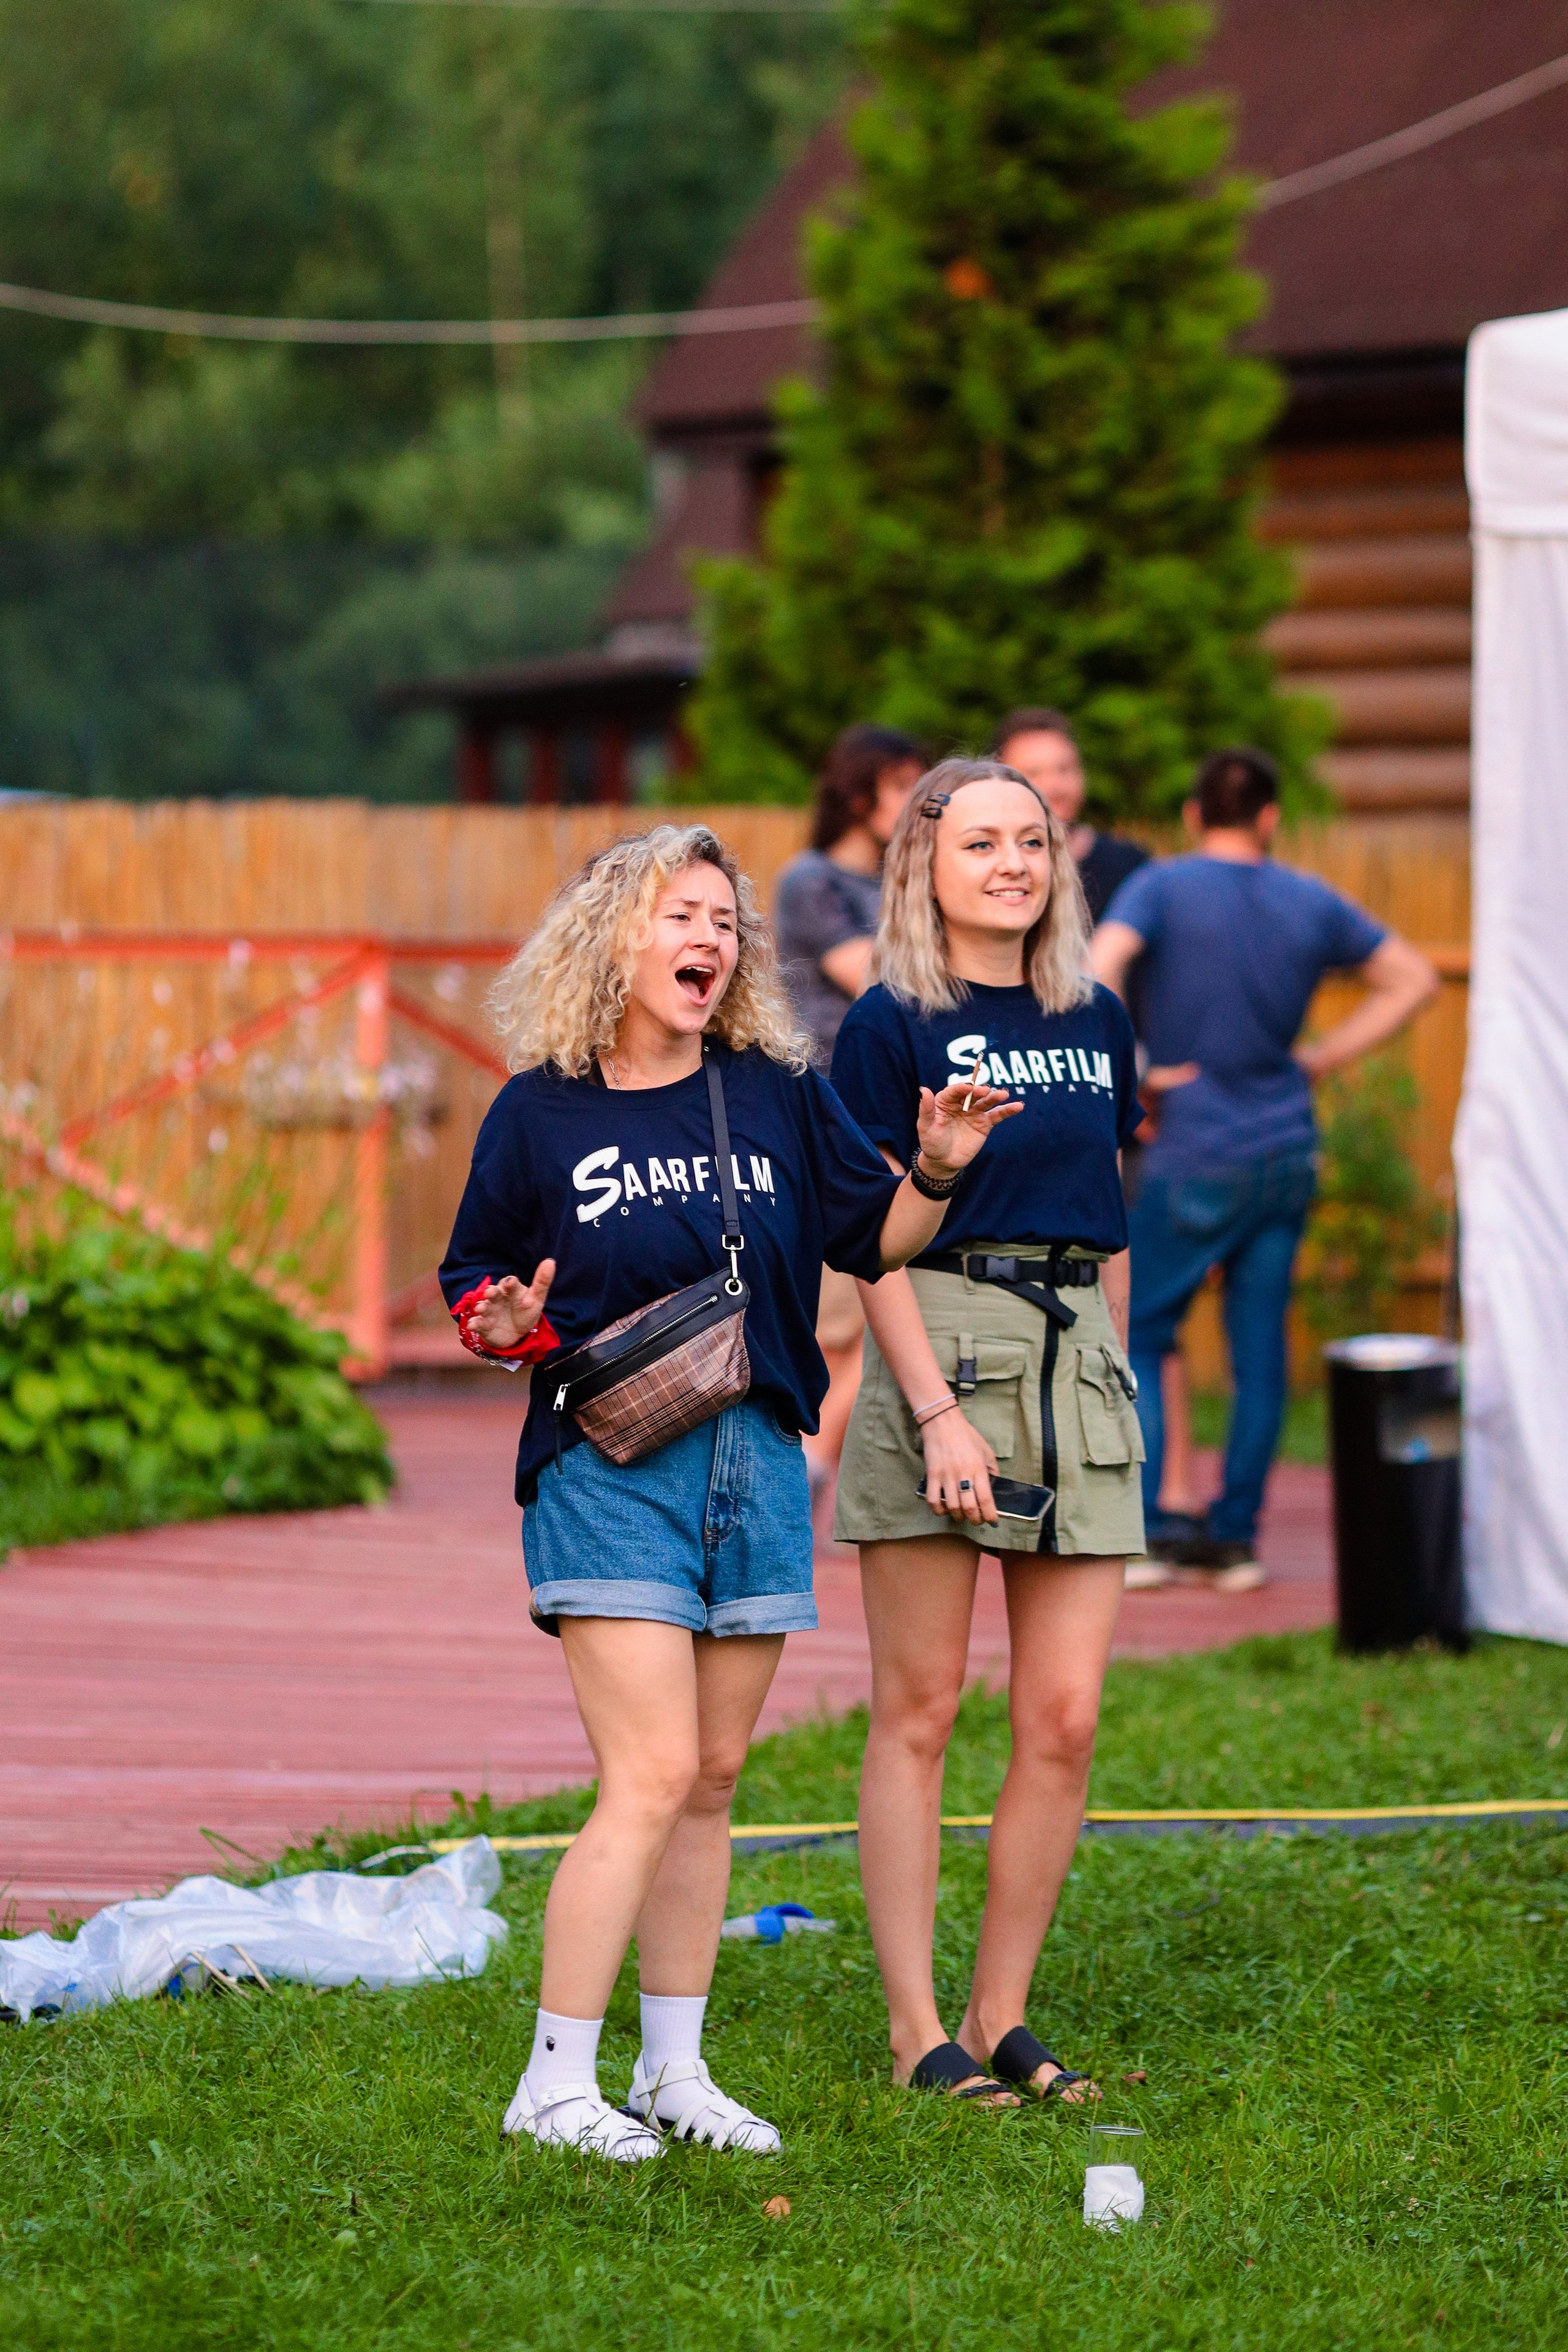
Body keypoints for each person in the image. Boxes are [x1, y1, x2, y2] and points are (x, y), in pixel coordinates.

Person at [439, 823, 1017, 2163]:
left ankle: (672, 2072)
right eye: (678, 915)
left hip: (756, 1459)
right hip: (608, 1466)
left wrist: (936, 1168)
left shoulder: (770, 1090)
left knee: (708, 1780)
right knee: (647, 1773)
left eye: (722, 919)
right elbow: (476, 1280)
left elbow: (873, 1239)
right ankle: (551, 2084)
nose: (709, 938)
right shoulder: (540, 1109)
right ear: (613, 939)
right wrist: (500, 1322)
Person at [830, 760, 1145, 2108]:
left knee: (1063, 1721)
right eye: (981, 843)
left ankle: (1000, 2014)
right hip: (944, 1344)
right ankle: (918, 2031)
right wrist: (934, 1412)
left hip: (1079, 1359)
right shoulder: (890, 1020)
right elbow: (867, 1241)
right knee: (920, 1708)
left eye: (1031, 841)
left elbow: (1108, 1201)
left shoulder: (1097, 1016)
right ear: (926, 864)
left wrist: (1117, 1366)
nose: (1012, 864)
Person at [1093, 746, 1439, 1589]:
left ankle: (1150, 1532)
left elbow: (1097, 967)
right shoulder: (1310, 898)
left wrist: (1136, 1070)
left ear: (1193, 813)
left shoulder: (1162, 887)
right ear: (1271, 817)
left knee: (1141, 1333)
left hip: (1192, 1148)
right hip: (1285, 1151)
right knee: (1259, 1352)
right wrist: (1319, 1058)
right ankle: (1237, 1541)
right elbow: (1413, 979)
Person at [775, 726, 926, 1482]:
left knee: (873, 1316)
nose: (916, 804)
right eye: (902, 788)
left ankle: (808, 1470)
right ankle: (800, 1471)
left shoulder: (904, 887)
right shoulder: (813, 881)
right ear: (859, 793)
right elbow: (877, 978)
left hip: (899, 1119)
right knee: (840, 1319)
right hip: (829, 1118)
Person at [990, 707, 1150, 922]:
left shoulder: (1132, 866)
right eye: (1033, 773)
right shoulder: (990, 871)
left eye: (1064, 769)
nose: (1054, 785)